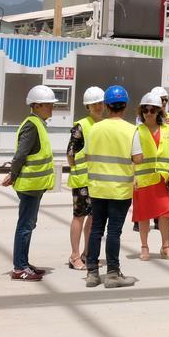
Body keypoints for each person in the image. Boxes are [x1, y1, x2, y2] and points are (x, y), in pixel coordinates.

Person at [1, 84, 58, 282]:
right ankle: (20, 267)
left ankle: (24, 262)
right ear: (36, 105)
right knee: (25, 225)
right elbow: (20, 155)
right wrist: (13, 174)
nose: (52, 108)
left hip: (35, 185)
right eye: (48, 105)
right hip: (29, 186)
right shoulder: (31, 126)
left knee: (28, 224)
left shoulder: (38, 124)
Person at [84, 85, 138, 289]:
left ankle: (92, 273)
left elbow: (88, 155)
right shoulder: (132, 130)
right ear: (124, 106)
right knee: (114, 231)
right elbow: (138, 157)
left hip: (97, 188)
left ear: (106, 106)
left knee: (96, 229)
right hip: (120, 190)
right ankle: (113, 274)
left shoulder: (95, 128)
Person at [133, 91, 169, 261]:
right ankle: (144, 247)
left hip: (161, 179)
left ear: (159, 111)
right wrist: (133, 177)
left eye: (153, 110)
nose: (149, 113)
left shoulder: (167, 129)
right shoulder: (137, 130)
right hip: (143, 179)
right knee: (143, 215)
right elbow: (133, 156)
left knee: (165, 214)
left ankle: (166, 246)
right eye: (145, 110)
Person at [65, 86, 105, 270]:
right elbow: (70, 154)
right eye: (93, 104)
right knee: (79, 217)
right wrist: (79, 169)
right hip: (82, 181)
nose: (97, 107)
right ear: (87, 107)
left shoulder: (104, 125)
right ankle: (74, 256)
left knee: (94, 218)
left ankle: (88, 253)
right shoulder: (81, 125)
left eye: (100, 103)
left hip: (98, 181)